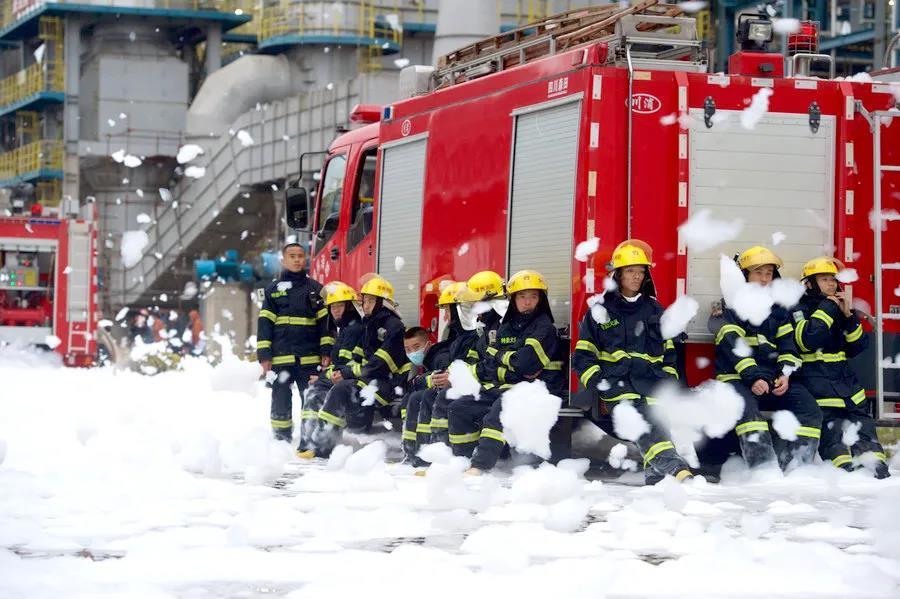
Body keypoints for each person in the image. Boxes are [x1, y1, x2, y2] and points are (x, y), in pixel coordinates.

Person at [572, 240, 694, 483]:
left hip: (652, 385)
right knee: (643, 424)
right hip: (617, 386)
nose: (637, 276)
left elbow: (670, 353)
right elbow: (584, 355)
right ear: (618, 274)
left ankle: (656, 480)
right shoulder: (600, 311)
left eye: (641, 271)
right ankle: (677, 469)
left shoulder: (656, 310)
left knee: (657, 425)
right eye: (630, 271)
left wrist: (667, 381)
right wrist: (599, 383)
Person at [710, 246, 822, 472]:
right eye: (758, 273)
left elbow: (788, 346)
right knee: (750, 414)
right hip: (736, 379)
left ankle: (797, 469)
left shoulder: (778, 311)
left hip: (771, 379)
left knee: (810, 410)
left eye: (769, 273)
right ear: (744, 276)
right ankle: (763, 472)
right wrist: (754, 378)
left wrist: (785, 374)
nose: (764, 279)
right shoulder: (728, 307)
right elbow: (733, 347)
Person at [447, 269, 565, 475]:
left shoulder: (544, 326)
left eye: (533, 296)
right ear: (513, 299)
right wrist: (509, 359)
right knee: (459, 407)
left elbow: (525, 363)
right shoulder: (507, 325)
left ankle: (480, 466)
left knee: (498, 412)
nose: (527, 302)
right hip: (507, 385)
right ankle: (462, 460)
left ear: (541, 299)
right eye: (522, 296)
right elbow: (493, 360)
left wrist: (502, 356)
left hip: (537, 388)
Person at [793, 257, 890, 478]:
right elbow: (807, 341)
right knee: (833, 438)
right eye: (824, 279)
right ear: (809, 283)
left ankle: (877, 474)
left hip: (847, 385)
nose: (831, 284)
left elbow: (857, 347)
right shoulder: (799, 309)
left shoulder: (840, 309)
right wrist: (829, 306)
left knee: (865, 431)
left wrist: (848, 317)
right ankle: (845, 477)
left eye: (833, 280)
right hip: (817, 384)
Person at [308, 274, 410, 458]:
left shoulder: (394, 327)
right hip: (372, 380)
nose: (366, 305)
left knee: (342, 390)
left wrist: (348, 373)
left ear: (383, 302)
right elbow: (358, 356)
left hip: (389, 384)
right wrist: (342, 372)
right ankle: (321, 443)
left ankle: (325, 446)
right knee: (338, 387)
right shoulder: (370, 325)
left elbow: (381, 364)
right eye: (365, 301)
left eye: (371, 301)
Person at [256, 243, 328, 442]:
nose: (297, 260)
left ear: (305, 259)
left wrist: (326, 351)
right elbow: (264, 325)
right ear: (283, 260)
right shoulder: (273, 290)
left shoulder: (316, 289)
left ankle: (311, 438)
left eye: (300, 256)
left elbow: (326, 325)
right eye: (292, 256)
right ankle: (281, 438)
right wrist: (264, 355)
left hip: (309, 358)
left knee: (311, 398)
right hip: (281, 358)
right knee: (280, 400)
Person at [296, 281, 364, 458]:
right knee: (314, 390)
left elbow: (347, 365)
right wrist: (322, 377)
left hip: (353, 381)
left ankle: (320, 446)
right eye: (333, 307)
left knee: (319, 394)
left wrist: (323, 378)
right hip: (344, 377)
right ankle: (308, 445)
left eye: (340, 306)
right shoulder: (346, 329)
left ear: (349, 306)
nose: (336, 311)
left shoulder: (354, 329)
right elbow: (339, 364)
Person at [399, 326, 451, 467]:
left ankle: (421, 453)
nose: (412, 352)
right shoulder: (427, 360)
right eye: (408, 349)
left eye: (416, 347)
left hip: (444, 400)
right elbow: (412, 384)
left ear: (428, 344)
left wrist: (422, 380)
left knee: (416, 398)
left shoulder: (440, 357)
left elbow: (441, 377)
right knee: (408, 398)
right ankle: (410, 450)